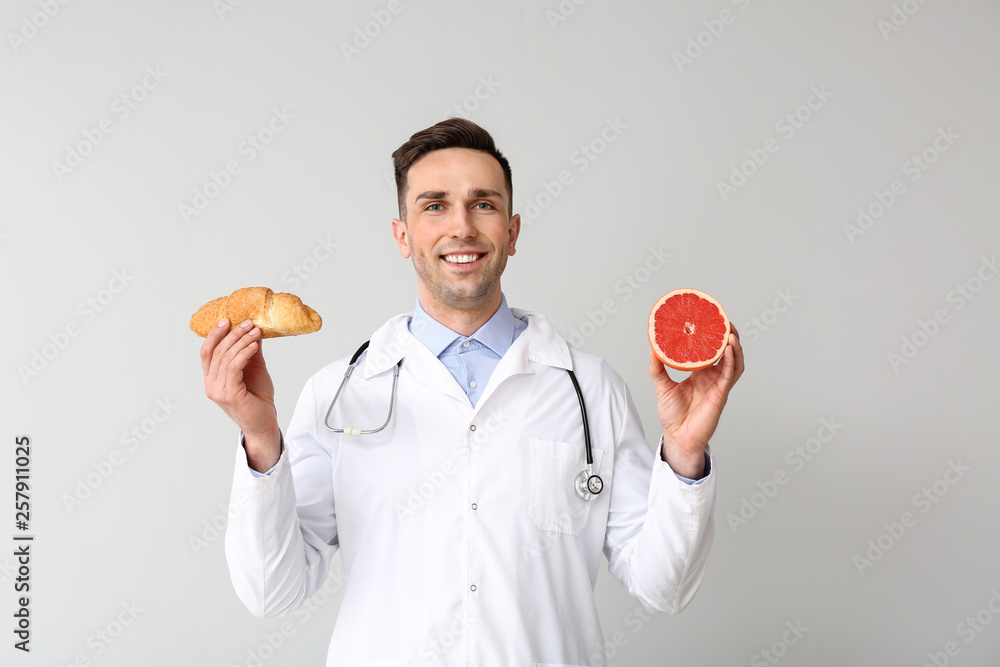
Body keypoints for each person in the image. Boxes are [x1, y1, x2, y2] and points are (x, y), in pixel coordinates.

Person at [200, 118, 744, 666]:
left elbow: (665, 587)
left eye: (483, 204)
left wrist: (684, 454)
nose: (460, 227)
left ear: (512, 230)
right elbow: (273, 591)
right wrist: (259, 438)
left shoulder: (590, 389)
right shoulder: (338, 394)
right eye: (434, 205)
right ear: (402, 234)